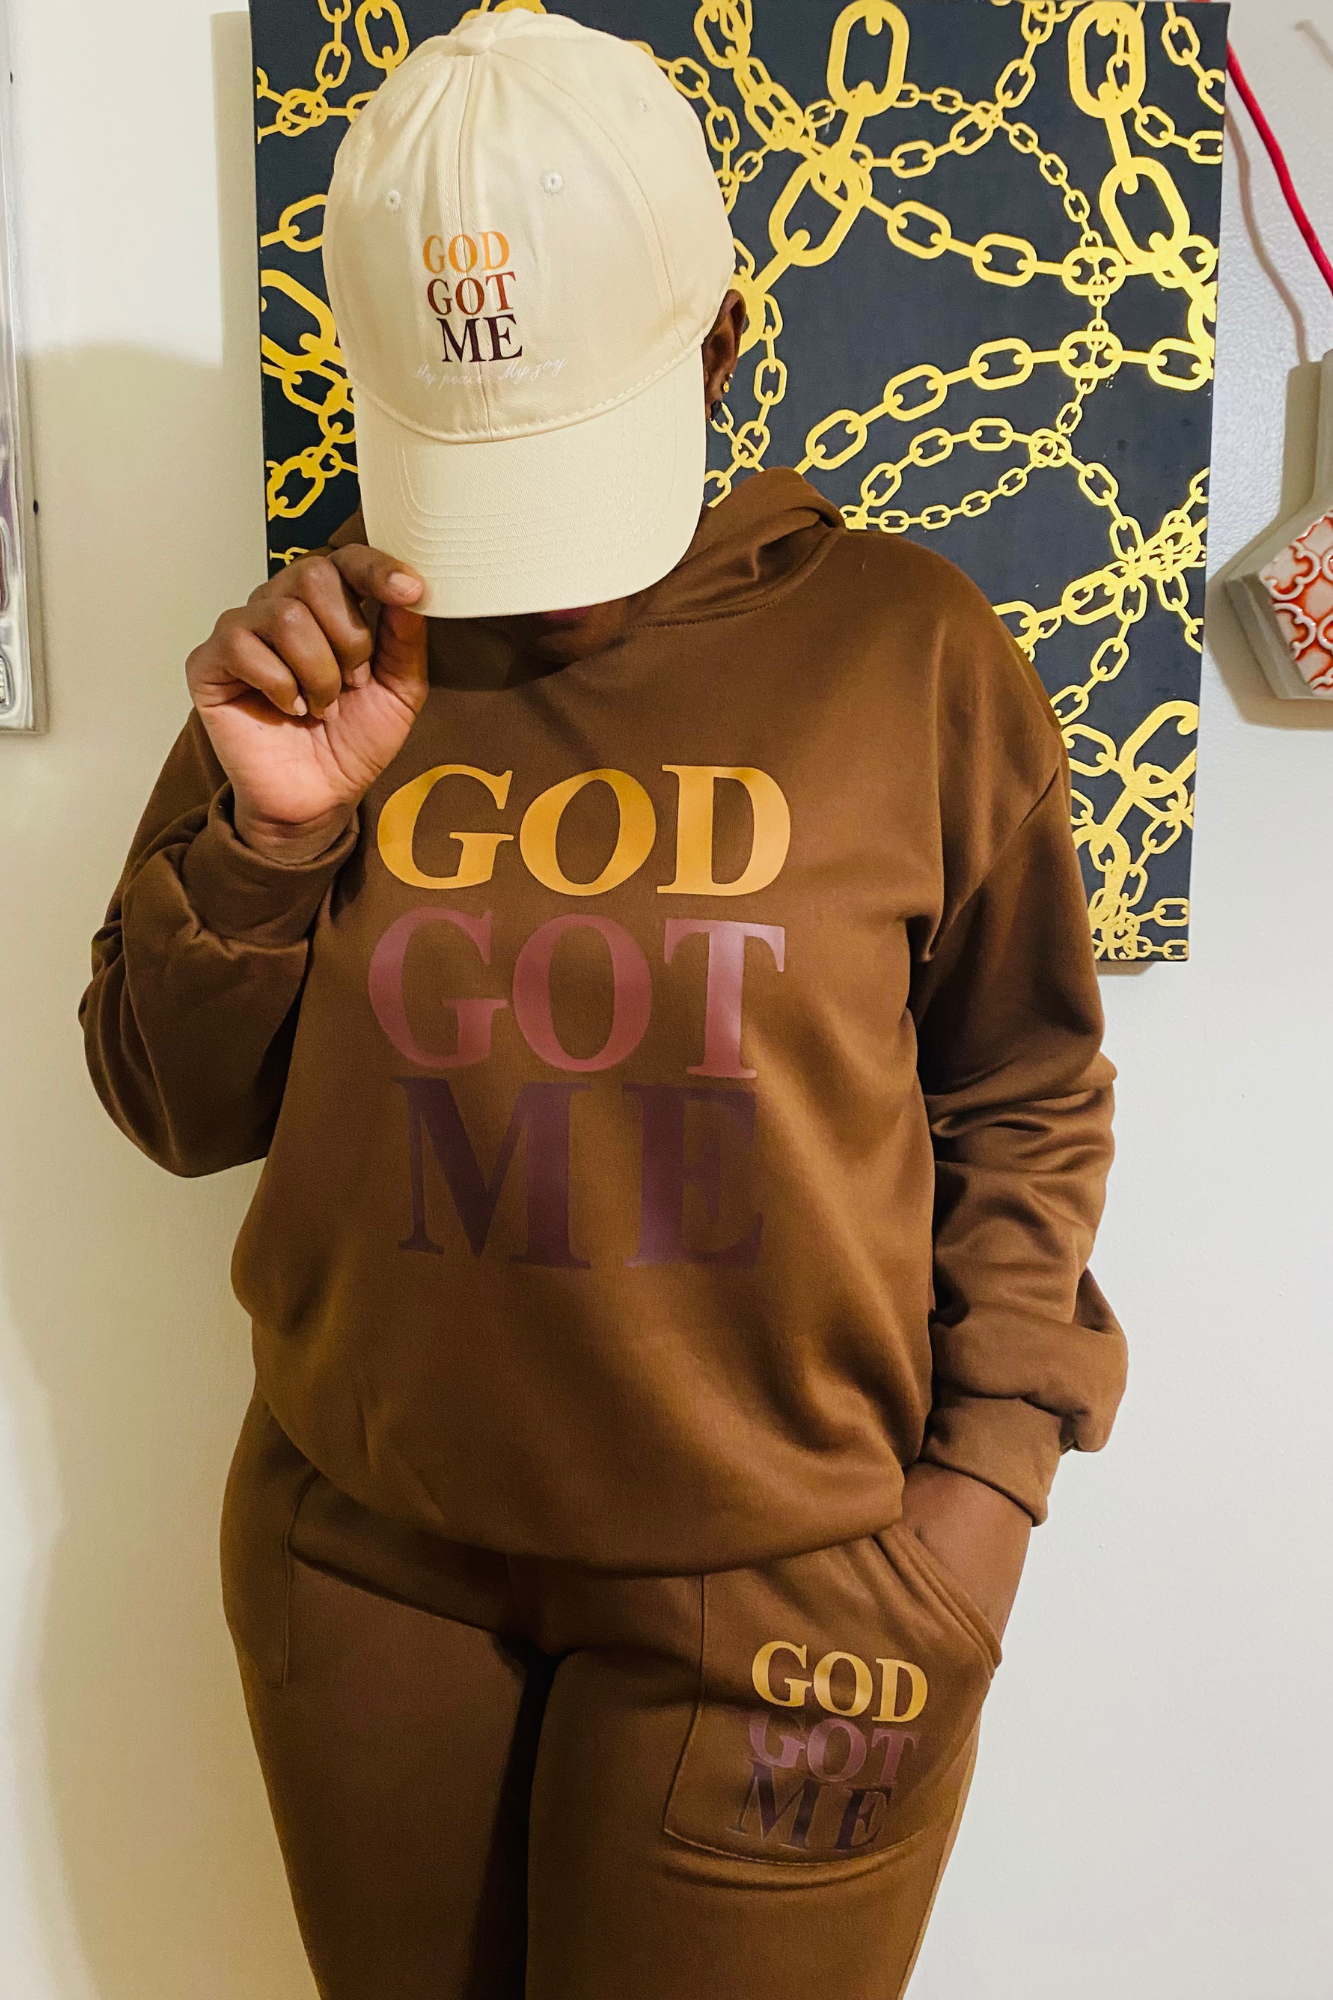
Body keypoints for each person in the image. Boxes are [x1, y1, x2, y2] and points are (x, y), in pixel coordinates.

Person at [79, 12, 1126, 1999]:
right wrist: (274, 829)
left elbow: (1025, 1080)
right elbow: (171, 1104)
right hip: (362, 1565)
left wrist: (986, 1491)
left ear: (719, 343)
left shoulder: (907, 652)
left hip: (800, 1599)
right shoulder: (325, 659)